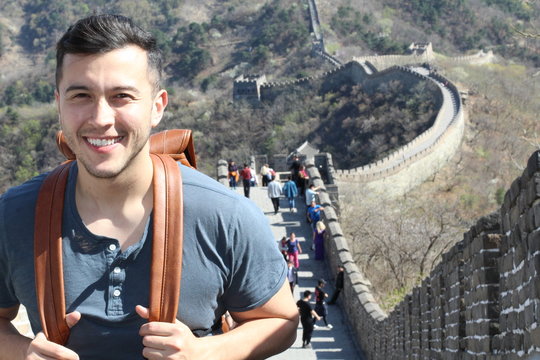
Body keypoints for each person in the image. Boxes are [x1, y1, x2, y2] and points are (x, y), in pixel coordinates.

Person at [0, 14, 298, 359]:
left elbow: (280, 319)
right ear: (59, 104)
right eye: (80, 95)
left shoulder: (223, 214)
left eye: (122, 96)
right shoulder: (16, 215)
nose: (100, 118)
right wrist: (21, 352)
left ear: (157, 107)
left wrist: (205, 353)